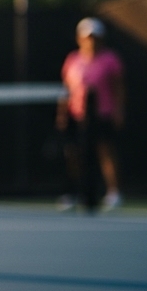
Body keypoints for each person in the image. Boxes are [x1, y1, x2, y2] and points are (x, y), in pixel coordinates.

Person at [57, 17, 125, 211]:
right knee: (73, 153)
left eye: (95, 37)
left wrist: (119, 111)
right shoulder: (72, 60)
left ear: (101, 38)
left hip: (103, 113)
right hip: (76, 115)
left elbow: (119, 88)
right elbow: (66, 89)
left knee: (105, 151)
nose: (91, 41)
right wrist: (62, 112)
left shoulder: (110, 60)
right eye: (87, 37)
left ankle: (114, 192)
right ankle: (76, 192)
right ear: (80, 38)